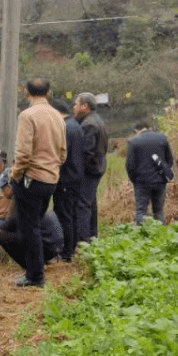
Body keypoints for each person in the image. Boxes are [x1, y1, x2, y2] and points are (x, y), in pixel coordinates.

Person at [9, 78, 66, 288]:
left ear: (27, 93)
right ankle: (38, 269)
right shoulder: (58, 116)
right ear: (49, 93)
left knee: (29, 228)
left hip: (31, 179)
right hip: (51, 178)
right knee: (38, 223)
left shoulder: (27, 115)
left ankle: (35, 275)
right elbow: (62, 152)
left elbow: (23, 153)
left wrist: (15, 174)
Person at [73, 92, 109, 244]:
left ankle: (83, 241)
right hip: (98, 167)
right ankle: (92, 237)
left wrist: (78, 170)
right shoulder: (97, 120)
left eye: (76, 104)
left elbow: (87, 151)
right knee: (91, 203)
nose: (74, 107)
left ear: (84, 106)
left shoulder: (89, 124)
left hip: (90, 170)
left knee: (83, 205)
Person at [51, 99, 84, 262]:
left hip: (66, 178)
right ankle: (72, 248)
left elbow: (61, 155)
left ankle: (66, 253)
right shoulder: (75, 126)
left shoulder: (65, 128)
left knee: (64, 215)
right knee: (72, 214)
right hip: (76, 176)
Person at [125, 119, 175, 225]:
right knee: (159, 211)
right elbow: (169, 160)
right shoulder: (162, 138)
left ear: (136, 131)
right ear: (147, 127)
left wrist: (134, 180)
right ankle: (161, 236)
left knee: (140, 211)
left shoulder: (134, 142)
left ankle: (141, 235)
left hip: (142, 182)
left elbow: (130, 165)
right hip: (160, 181)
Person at [0, 202, 64, 271]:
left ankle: (33, 268)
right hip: (56, 248)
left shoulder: (23, 203)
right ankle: (44, 261)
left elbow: (11, 226)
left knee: (2, 235)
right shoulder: (38, 200)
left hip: (46, 250)